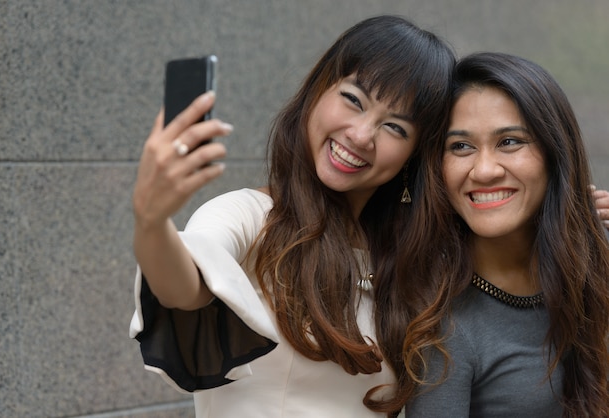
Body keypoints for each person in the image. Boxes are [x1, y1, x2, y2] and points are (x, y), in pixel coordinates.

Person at [129, 15, 455, 417]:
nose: (361, 135)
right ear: (318, 90)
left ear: (413, 155)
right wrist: (151, 219)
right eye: (354, 100)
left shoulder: (409, 261)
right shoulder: (250, 216)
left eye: (394, 127)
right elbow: (184, 288)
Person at [404, 52, 609, 417]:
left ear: (555, 154)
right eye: (461, 146)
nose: (484, 170)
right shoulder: (445, 329)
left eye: (510, 141)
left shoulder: (594, 258)